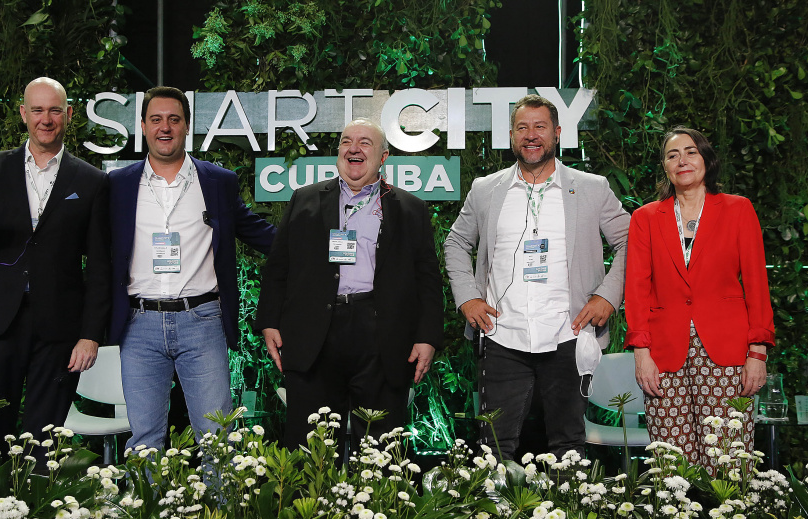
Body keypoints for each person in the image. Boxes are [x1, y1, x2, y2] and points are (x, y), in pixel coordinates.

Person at [444, 94, 630, 461]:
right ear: (512, 136)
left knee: (568, 448)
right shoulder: (486, 189)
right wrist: (467, 296)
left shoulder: (591, 187)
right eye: (522, 128)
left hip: (569, 335)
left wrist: (608, 295)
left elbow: (631, 242)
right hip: (501, 335)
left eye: (540, 127)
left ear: (557, 133)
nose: (532, 135)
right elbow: (455, 242)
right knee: (493, 449)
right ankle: (493, 518)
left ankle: (568, 517)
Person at [0, 77, 111, 444]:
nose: (45, 119)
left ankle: (38, 501)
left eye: (54, 110)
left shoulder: (92, 180)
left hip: (60, 327)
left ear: (69, 115)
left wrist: (90, 335)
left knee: (44, 436)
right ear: (23, 114)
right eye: (37, 110)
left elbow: (99, 266)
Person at [255, 118, 443, 454]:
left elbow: (427, 278)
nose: (353, 148)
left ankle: (378, 506)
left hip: (381, 334)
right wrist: (269, 320)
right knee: (310, 442)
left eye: (365, 143)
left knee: (381, 444)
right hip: (315, 334)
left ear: (383, 157)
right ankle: (311, 508)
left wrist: (427, 337)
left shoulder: (410, 208)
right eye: (346, 141)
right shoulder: (305, 200)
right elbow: (278, 266)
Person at [109, 86, 275, 452]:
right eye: (156, 119)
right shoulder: (117, 185)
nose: (164, 127)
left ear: (187, 127)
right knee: (145, 441)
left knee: (217, 438)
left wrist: (317, 249)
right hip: (138, 326)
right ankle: (147, 511)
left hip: (202, 321)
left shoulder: (217, 181)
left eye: (174, 119)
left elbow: (258, 233)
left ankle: (220, 511)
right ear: (142, 127)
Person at [625, 126, 774, 473]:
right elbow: (637, 290)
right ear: (664, 166)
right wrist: (641, 353)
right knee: (672, 465)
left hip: (726, 351)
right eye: (673, 155)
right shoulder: (645, 218)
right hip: (663, 355)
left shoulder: (738, 210)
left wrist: (758, 351)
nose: (682, 161)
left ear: (706, 158)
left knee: (727, 458)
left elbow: (757, 285)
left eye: (691, 152)